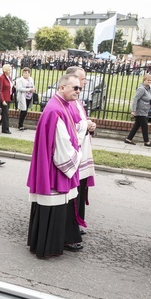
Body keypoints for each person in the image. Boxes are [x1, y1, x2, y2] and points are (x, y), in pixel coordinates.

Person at [26, 74, 83, 258]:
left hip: (53, 165)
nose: (78, 91)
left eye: (79, 88)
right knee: (52, 207)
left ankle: (46, 243)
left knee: (54, 208)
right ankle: (46, 247)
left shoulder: (62, 105)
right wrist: (78, 155)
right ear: (62, 88)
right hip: (53, 170)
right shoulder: (55, 110)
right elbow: (61, 149)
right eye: (74, 88)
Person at [65, 66, 97, 230]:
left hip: (81, 150)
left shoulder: (76, 100)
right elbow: (69, 127)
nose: (84, 82)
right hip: (72, 154)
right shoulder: (68, 102)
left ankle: (76, 222)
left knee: (80, 189)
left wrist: (87, 124)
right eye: (82, 79)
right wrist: (86, 125)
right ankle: (72, 224)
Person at [125, 74, 151, 147]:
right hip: (140, 110)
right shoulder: (141, 89)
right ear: (144, 80)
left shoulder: (148, 88)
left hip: (145, 110)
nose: (149, 81)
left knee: (137, 125)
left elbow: (148, 97)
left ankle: (128, 139)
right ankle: (146, 142)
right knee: (144, 125)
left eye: (150, 80)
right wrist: (133, 110)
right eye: (148, 80)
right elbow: (135, 99)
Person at [0, 63, 13, 134]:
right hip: (4, 98)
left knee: (4, 114)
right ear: (5, 70)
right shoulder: (2, 78)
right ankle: (5, 129)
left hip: (8, 98)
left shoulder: (9, 77)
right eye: (9, 70)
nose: (10, 71)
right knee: (5, 115)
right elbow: (0, 90)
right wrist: (3, 100)